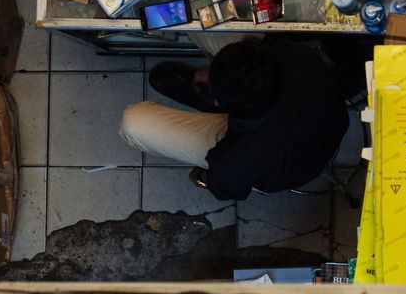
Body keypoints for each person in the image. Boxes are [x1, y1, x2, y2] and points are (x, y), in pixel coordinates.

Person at [119, 38, 355, 201]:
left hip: (275, 159)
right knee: (207, 19)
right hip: (323, 122)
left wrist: (203, 177)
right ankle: (201, 90)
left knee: (133, 122)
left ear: (219, 104)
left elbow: (224, 185)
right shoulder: (299, 58)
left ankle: (194, 94)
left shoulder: (235, 160)